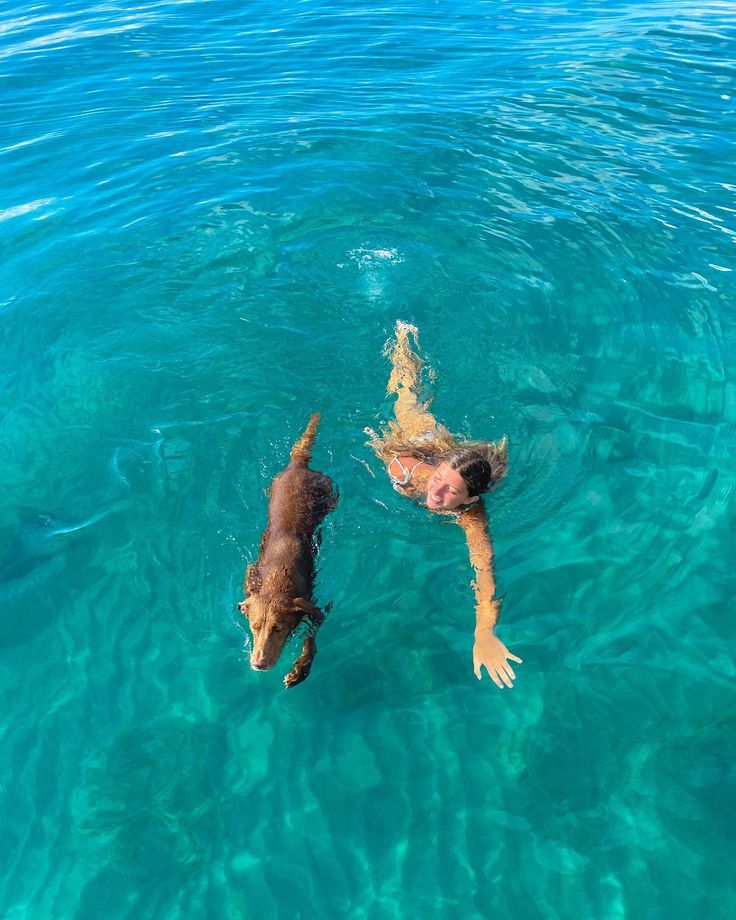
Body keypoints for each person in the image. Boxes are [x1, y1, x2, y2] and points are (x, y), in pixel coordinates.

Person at [366, 321, 522, 688]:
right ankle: (404, 339)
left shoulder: (472, 517)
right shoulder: (411, 474)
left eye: (449, 492)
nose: (435, 495)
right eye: (438, 482)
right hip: (412, 444)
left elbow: (484, 576)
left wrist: (484, 633)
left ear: (471, 499)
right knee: (407, 399)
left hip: (441, 463)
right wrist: (408, 471)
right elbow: (392, 458)